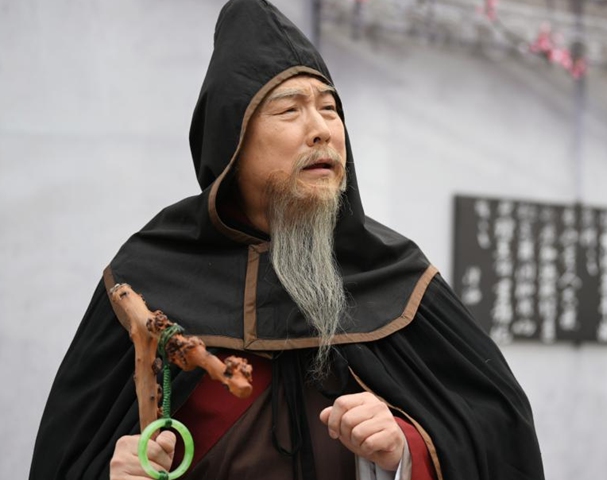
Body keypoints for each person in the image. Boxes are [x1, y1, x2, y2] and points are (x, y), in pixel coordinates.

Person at [29, 1, 545, 479]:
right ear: (232, 142)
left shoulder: (396, 276)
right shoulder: (147, 281)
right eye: (290, 110)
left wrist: (405, 448)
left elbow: (498, 438)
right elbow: (71, 455)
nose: (322, 129)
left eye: (329, 108)